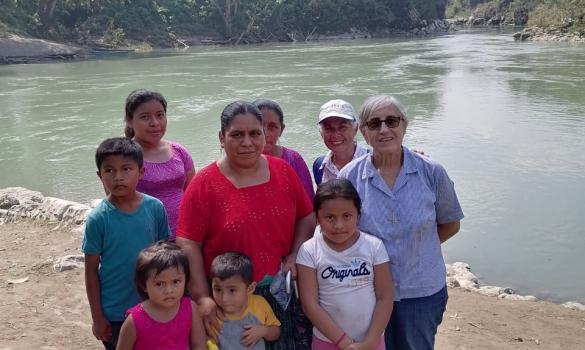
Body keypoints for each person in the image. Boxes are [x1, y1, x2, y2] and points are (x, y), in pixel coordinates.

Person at [176, 101, 316, 350]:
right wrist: (203, 297)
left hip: (280, 292)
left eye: (255, 133)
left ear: (265, 134)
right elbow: (188, 242)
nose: (247, 142)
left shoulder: (283, 171)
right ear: (221, 137)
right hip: (227, 299)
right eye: (237, 135)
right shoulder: (203, 184)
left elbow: (306, 216)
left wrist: (295, 254)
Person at [338, 95, 464, 350]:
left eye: (392, 121)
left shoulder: (431, 171)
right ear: (363, 131)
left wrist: (418, 245)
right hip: (367, 291)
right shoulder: (349, 176)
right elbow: (338, 230)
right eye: (374, 124)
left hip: (421, 291)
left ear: (404, 125)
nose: (384, 129)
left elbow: (450, 223)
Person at [82, 137, 170, 350]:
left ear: (141, 172)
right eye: (109, 171)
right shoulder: (98, 219)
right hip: (115, 313)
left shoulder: (155, 208)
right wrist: (97, 317)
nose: (118, 177)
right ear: (99, 175)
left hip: (152, 306)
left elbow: (165, 258)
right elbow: (91, 271)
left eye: (126, 169)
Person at [297, 179, 393, 350]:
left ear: (358, 214)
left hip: (370, 342)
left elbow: (385, 297)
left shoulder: (373, 246)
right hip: (327, 341)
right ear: (317, 217)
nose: (339, 225)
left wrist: (370, 342)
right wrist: (345, 343)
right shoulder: (309, 250)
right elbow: (310, 305)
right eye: (329, 217)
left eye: (347, 216)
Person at [124, 89, 196, 239]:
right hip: (144, 238)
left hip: (184, 234)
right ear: (129, 121)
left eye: (160, 115)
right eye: (145, 117)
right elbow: (118, 201)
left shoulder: (179, 151)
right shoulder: (123, 156)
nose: (155, 123)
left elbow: (193, 194)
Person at [116, 241, 206, 350]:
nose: (169, 290)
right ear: (144, 285)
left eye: (176, 281)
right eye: (159, 284)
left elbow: (199, 345)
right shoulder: (134, 320)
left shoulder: (190, 308)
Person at [208, 252, 281, 349]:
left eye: (232, 290)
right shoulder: (213, 313)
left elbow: (276, 331)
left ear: (250, 288)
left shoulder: (259, 304)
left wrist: (263, 331)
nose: (224, 298)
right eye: (218, 289)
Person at [252, 99, 315, 200]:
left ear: (281, 130)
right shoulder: (239, 162)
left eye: (272, 127)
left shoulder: (293, 160)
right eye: (260, 125)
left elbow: (308, 203)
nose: (266, 134)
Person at [312, 99, 370, 185]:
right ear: (321, 133)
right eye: (328, 128)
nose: (335, 134)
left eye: (342, 127)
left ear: (355, 129)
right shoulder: (320, 166)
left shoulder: (373, 162)